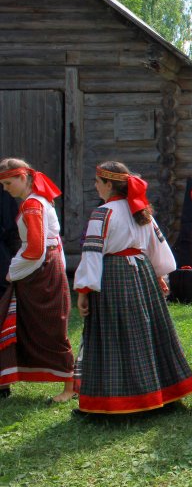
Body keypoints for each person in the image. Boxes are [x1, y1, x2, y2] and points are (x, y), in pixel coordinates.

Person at [74, 161, 192, 413]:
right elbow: (158, 248)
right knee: (148, 332)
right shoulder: (141, 212)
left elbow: (92, 254)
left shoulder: (103, 213)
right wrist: (158, 275)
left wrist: (84, 290)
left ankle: (119, 400)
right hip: (143, 274)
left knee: (114, 335)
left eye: (98, 182)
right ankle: (162, 393)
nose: (96, 187)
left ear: (109, 184)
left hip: (114, 276)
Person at [0, 159, 75, 403]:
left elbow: (34, 249)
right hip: (42, 268)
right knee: (30, 323)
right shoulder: (38, 201)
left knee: (52, 326)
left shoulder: (33, 204)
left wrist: (13, 271)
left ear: (23, 178)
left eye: (8, 183)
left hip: (40, 270)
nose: (5, 189)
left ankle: (70, 386)